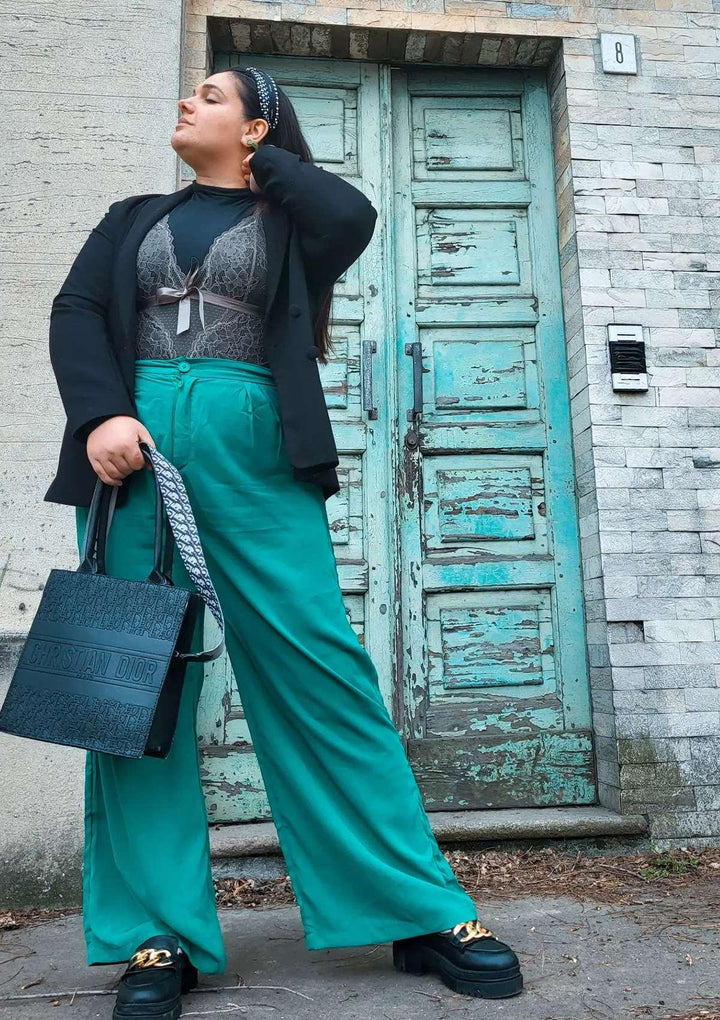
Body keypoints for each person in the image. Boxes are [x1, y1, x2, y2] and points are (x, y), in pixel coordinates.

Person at [47, 66, 524, 1017]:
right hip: (131, 462)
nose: (185, 103)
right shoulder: (131, 216)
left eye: (210, 97)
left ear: (258, 128)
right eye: (187, 92)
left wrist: (262, 160)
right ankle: (157, 937)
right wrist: (100, 412)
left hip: (259, 458)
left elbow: (351, 214)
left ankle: (418, 908)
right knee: (134, 689)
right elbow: (77, 312)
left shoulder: (299, 222)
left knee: (321, 673)